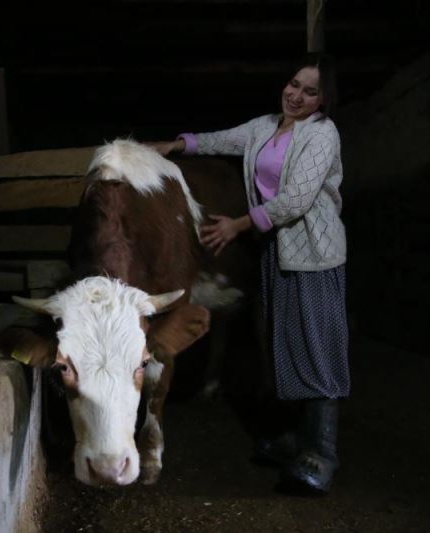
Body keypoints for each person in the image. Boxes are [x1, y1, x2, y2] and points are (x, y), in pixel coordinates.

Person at [149, 52, 349, 495]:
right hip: (276, 250)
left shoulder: (322, 135)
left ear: (323, 100)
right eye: (294, 84)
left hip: (314, 252)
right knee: (288, 343)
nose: (296, 95)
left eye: (310, 91)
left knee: (317, 345)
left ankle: (322, 454)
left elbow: (296, 200)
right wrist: (175, 146)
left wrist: (237, 225)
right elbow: (221, 140)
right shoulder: (266, 126)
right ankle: (299, 437)